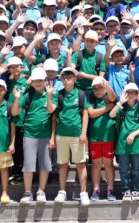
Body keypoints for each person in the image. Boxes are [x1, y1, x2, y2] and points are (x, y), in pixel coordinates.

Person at [48, 67, 91, 206]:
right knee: (62, 164)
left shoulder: (81, 94)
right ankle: (62, 192)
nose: (66, 80)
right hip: (61, 134)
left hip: (77, 134)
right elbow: (51, 110)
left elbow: (85, 114)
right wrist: (49, 95)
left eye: (69, 77)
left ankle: (83, 193)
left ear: (74, 78)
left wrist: (84, 133)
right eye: (63, 77)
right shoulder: (58, 94)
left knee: (80, 164)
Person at [11, 67, 54, 205]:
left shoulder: (51, 93)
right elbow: (15, 112)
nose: (38, 83)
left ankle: (41, 191)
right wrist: (17, 98)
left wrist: (49, 96)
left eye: (40, 80)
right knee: (28, 165)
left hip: (45, 134)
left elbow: (50, 111)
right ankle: (28, 192)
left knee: (44, 164)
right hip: (29, 133)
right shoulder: (28, 94)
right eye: (35, 81)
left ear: (45, 80)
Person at [109, 82, 139, 202]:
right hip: (122, 144)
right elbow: (111, 114)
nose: (130, 95)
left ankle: (135, 190)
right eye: (128, 92)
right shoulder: (122, 108)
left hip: (137, 143)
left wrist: (133, 134)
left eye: (133, 93)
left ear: (137, 95)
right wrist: (120, 103)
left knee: (136, 168)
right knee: (123, 169)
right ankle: (125, 190)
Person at [86, 77, 118, 201]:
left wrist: (107, 87)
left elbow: (114, 97)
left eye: (100, 88)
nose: (98, 91)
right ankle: (96, 190)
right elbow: (91, 113)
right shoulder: (90, 98)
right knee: (96, 164)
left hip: (108, 137)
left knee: (109, 164)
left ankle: (110, 190)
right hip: (94, 137)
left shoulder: (108, 97)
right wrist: (107, 108)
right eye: (95, 89)